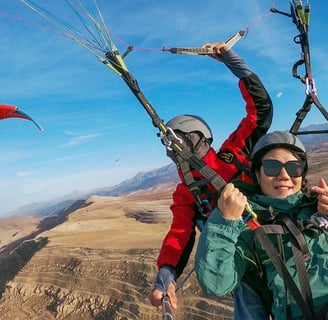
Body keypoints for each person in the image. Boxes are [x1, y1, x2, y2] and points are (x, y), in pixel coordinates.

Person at [149, 41, 274, 319]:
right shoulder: (186, 193)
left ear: (200, 139)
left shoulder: (233, 155)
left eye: (182, 139)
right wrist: (167, 271)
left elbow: (260, 112)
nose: (175, 147)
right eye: (171, 143)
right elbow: (180, 234)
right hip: (243, 269)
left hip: (276, 243)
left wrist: (234, 63)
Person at [195, 131, 328, 319]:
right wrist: (224, 222)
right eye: (272, 167)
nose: (284, 175)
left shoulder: (318, 206)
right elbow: (216, 284)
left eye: (294, 167)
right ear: (257, 174)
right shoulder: (245, 227)